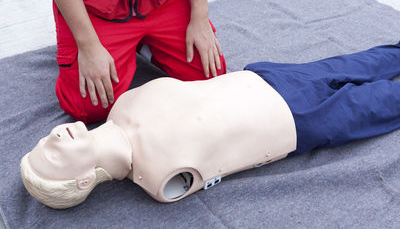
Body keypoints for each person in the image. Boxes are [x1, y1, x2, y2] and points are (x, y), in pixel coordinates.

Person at [21, 42, 400, 209]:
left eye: (42, 141)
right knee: (381, 103)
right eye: (53, 156)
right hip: (296, 122)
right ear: (83, 181)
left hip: (264, 78)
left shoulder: (124, 103)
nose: (54, 134)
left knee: (366, 61)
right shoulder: (160, 178)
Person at [42, 0, 227, 123]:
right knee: (91, 104)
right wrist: (87, 45)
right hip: (97, 3)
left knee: (210, 75)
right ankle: (108, 41)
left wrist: (200, 17)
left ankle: (143, 45)